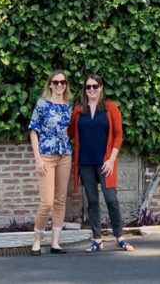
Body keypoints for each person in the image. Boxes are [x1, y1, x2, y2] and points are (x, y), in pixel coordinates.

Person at [69, 74, 134, 252]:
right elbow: (70, 133)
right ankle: (97, 239)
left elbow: (119, 135)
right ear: (85, 89)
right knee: (92, 201)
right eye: (88, 87)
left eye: (95, 86)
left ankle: (120, 237)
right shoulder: (78, 110)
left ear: (101, 88)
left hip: (105, 162)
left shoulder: (110, 107)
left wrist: (112, 159)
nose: (91, 90)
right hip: (85, 162)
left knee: (111, 199)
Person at [28, 70, 73, 255]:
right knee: (46, 202)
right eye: (56, 82)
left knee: (60, 200)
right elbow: (33, 131)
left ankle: (55, 242)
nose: (59, 85)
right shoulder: (42, 104)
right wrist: (37, 158)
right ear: (50, 84)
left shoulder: (69, 107)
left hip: (65, 156)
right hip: (46, 156)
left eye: (62, 82)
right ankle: (37, 240)